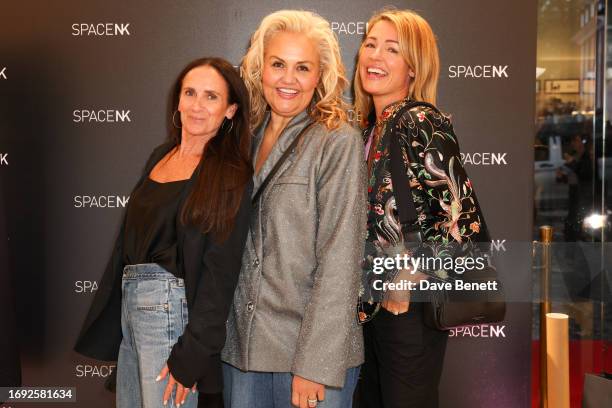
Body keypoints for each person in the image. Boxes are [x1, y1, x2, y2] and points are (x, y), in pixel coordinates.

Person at [74, 57, 253, 408]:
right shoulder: (160, 155)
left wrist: (192, 355)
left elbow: (222, 273)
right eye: (190, 92)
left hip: (172, 315)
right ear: (178, 99)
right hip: (133, 312)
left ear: (230, 110)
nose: (197, 105)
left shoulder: (229, 173)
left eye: (211, 97)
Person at [221, 10, 367, 408]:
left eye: (302, 68)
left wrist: (315, 365)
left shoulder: (336, 142)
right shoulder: (242, 140)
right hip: (242, 352)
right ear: (260, 68)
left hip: (307, 359)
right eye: (278, 65)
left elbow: (341, 257)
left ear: (320, 76)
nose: (288, 79)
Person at [354, 9, 491, 408]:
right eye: (370, 45)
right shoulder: (370, 129)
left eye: (391, 50)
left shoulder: (418, 119)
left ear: (413, 68)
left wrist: (410, 276)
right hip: (370, 310)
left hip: (408, 310)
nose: (375, 57)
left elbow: (461, 221)